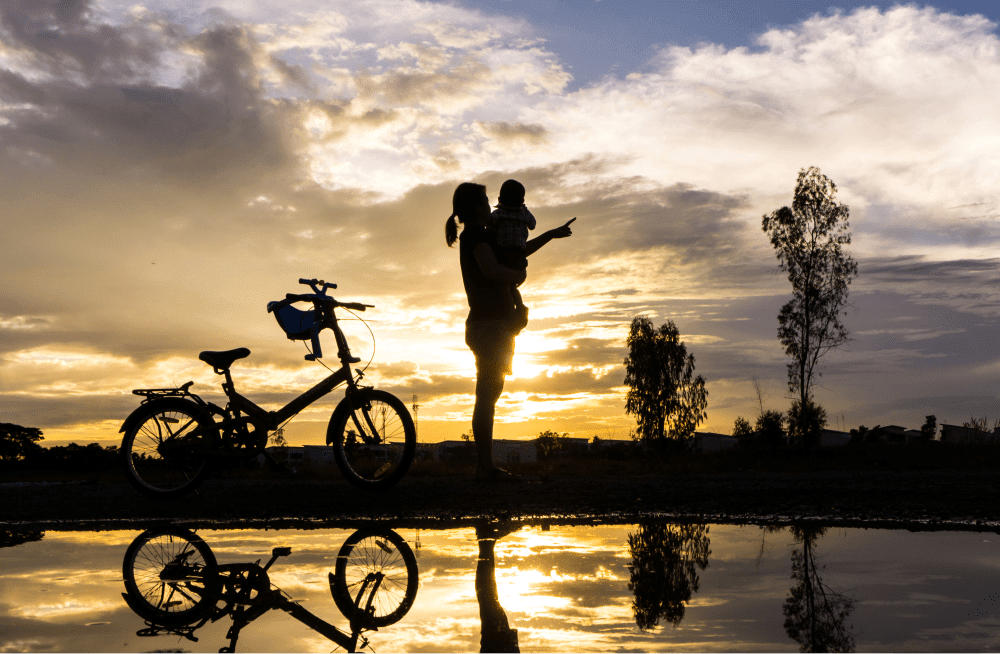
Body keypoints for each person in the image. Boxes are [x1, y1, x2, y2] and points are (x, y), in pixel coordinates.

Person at [445, 182, 574, 482]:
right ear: (477, 207)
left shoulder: (482, 235)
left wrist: (550, 235)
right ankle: (485, 468)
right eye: (485, 199)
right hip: (488, 326)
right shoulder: (476, 236)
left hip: (493, 325)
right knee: (487, 395)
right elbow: (492, 270)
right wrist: (517, 275)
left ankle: (486, 466)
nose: (490, 203)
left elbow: (517, 251)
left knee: (490, 393)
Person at [488, 179, 535, 331]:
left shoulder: (497, 214)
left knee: (506, 286)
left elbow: (489, 229)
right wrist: (525, 209)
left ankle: (511, 315)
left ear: (499, 199)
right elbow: (533, 224)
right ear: (522, 201)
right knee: (512, 287)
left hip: (502, 256)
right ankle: (519, 308)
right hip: (519, 258)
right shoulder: (523, 215)